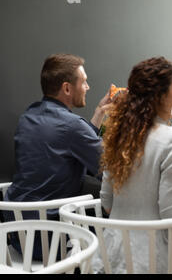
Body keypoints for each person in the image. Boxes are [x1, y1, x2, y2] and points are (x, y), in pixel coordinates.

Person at [92, 56, 172, 274]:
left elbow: (107, 204)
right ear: (159, 96)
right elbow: (171, 216)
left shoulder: (119, 135)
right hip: (153, 262)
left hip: (109, 259)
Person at [3, 53, 111, 258]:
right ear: (67, 88)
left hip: (16, 233)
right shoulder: (72, 126)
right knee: (116, 235)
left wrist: (98, 113)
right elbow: (110, 167)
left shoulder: (29, 116)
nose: (87, 87)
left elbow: (73, 144)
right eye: (84, 82)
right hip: (50, 239)